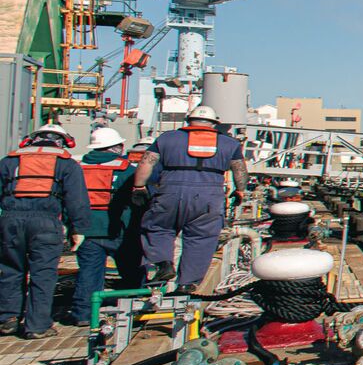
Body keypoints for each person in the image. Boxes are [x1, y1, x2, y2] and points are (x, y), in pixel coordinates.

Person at [134, 106, 249, 292]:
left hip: (170, 189)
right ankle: (188, 283)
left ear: (189, 120)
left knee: (158, 228)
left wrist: (139, 186)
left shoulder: (167, 138)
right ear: (215, 123)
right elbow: (240, 170)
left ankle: (162, 264)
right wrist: (240, 191)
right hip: (209, 195)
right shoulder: (230, 143)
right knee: (201, 238)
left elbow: (146, 162)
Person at [0, 125, 90, 338]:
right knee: (44, 273)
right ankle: (37, 326)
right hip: (46, 222)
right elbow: (76, 201)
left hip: (11, 219)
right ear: (62, 142)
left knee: (10, 270)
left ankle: (7, 320)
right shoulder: (67, 164)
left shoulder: (9, 161)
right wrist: (78, 228)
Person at [59, 128, 140, 325]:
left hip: (86, 230)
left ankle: (83, 315)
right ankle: (136, 310)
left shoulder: (77, 168)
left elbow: (67, 199)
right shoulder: (127, 169)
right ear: (117, 147)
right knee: (132, 272)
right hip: (119, 229)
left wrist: (72, 227)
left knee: (89, 273)